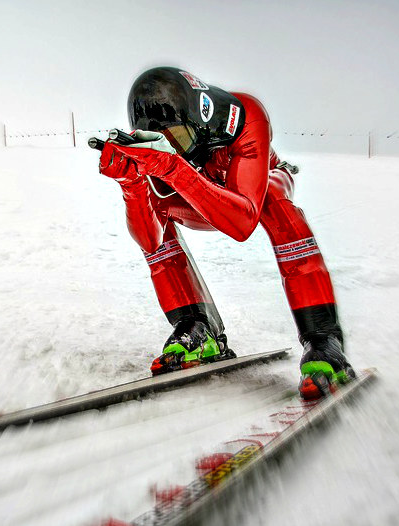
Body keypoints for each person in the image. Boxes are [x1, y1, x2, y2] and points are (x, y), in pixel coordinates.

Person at [96, 67, 354, 399]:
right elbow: (150, 240)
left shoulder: (245, 115)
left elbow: (242, 222)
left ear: (200, 118)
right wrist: (132, 185)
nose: (176, 147)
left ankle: (323, 338)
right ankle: (197, 325)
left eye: (179, 136)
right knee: (153, 207)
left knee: (276, 202)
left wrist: (171, 167)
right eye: (165, 140)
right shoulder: (167, 152)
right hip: (197, 196)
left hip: (255, 189)